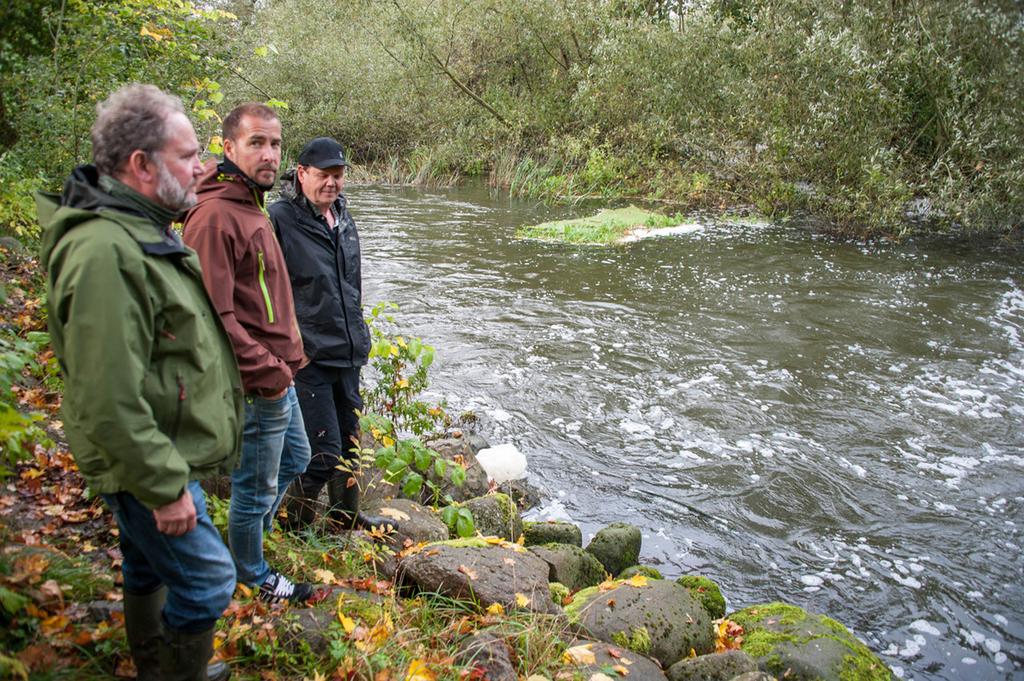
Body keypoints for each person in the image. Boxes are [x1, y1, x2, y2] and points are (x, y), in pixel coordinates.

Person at [38, 84, 242, 681]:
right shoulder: (106, 251)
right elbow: (106, 397)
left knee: (146, 568)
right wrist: (163, 487)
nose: (202, 167)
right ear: (140, 165)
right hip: (152, 463)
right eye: (188, 155)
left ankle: (153, 663)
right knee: (209, 580)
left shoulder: (140, 228)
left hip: (156, 451)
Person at [181, 103, 313, 603]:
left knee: (297, 458)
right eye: (256, 142)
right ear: (229, 146)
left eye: (275, 143)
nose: (269, 153)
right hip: (256, 382)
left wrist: (287, 363)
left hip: (279, 375)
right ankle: (251, 575)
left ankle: (246, 541)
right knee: (254, 486)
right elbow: (213, 318)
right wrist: (271, 368)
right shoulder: (214, 217)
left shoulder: (250, 202)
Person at [268, 137, 371, 528]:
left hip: (348, 352)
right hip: (308, 357)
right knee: (323, 452)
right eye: (324, 175)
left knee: (351, 445)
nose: (332, 183)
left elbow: (352, 284)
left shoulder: (343, 216)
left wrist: (359, 333)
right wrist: (294, 347)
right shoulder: (279, 219)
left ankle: (346, 519)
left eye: (338, 175)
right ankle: (295, 525)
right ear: (301, 173)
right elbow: (271, 291)